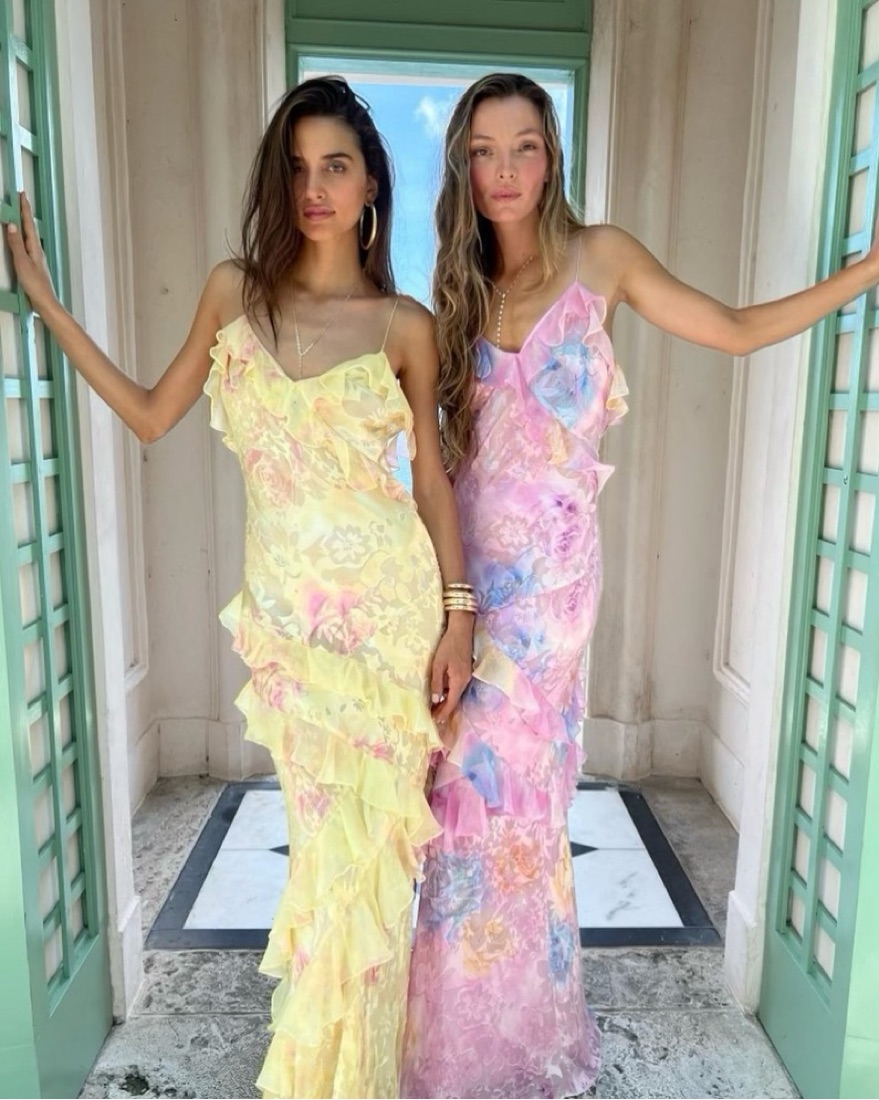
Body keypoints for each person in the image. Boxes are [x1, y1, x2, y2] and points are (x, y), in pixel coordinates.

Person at [401, 71, 879, 1100]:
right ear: (462, 167)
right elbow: (436, 464)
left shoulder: (602, 257)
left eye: (524, 147)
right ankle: (454, 1042)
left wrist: (868, 270)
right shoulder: (455, 288)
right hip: (466, 583)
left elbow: (734, 327)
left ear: (552, 156)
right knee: (458, 803)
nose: (504, 171)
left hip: (552, 593)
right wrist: (441, 600)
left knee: (518, 808)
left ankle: (516, 1045)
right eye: (483, 151)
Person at [6, 76, 475, 1100]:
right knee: (322, 861)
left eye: (335, 166)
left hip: (389, 623)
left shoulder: (404, 323)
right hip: (294, 631)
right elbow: (148, 412)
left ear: (371, 184)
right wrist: (45, 305)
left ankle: (356, 1081)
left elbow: (431, 483)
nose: (314, 187)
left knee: (370, 868)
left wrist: (457, 619)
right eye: (297, 167)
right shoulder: (234, 296)